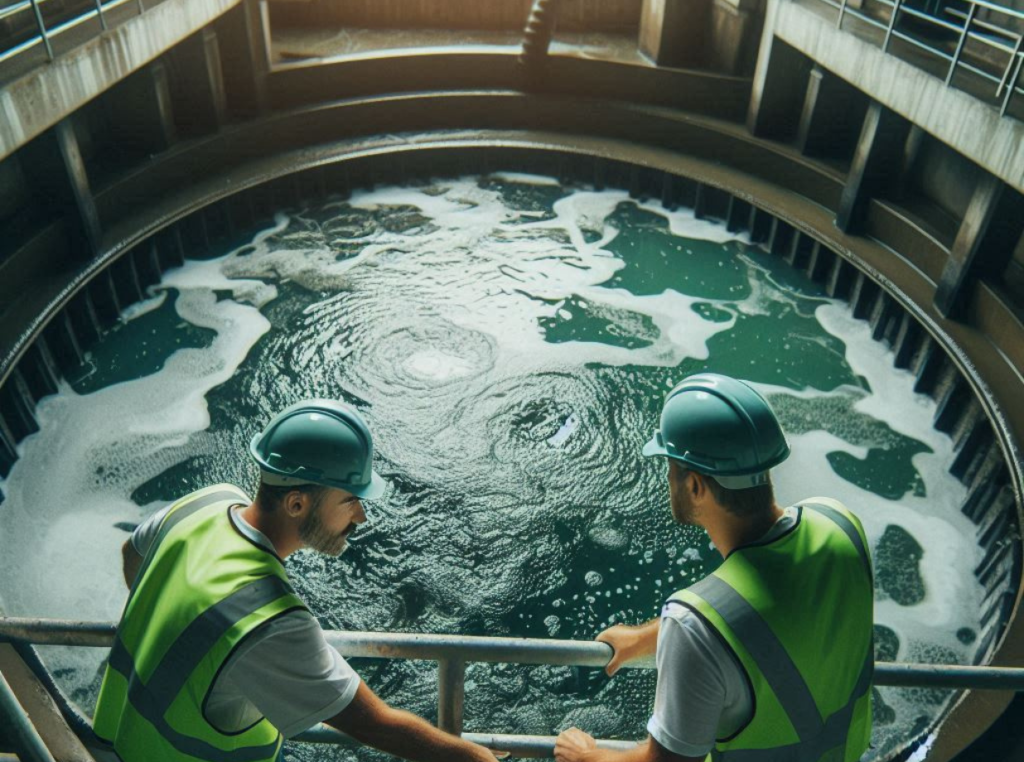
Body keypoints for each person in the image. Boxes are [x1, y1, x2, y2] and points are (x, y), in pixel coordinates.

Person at [92, 399, 498, 762]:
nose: (360, 517)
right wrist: (474, 758)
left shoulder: (205, 503)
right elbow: (376, 724)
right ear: (297, 503)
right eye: (350, 500)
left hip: (115, 738)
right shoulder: (268, 619)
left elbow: (133, 555)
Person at [555, 373, 874, 762]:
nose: (667, 479)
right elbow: (774, 615)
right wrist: (642, 640)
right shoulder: (841, 524)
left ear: (695, 486)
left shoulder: (692, 624)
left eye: (670, 468)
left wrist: (585, 755)